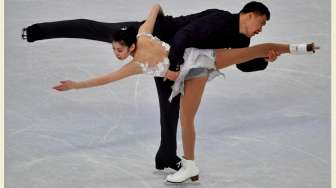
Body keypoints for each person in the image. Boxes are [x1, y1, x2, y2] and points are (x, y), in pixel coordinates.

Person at [49, 4, 319, 183]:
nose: (261, 27)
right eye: (261, 22)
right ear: (249, 14)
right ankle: (178, 161)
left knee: (257, 51)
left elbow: (243, 61)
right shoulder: (137, 61)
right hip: (185, 62)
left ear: (129, 45)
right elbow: (106, 78)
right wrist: (74, 85)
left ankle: (304, 48)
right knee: (180, 117)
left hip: (194, 60)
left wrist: (266, 60)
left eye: (118, 49)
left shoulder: (143, 36)